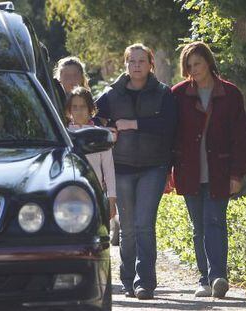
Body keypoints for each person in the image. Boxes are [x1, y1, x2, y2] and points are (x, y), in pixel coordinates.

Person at [94, 43, 177, 300]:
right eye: (132, 61)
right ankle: (127, 279)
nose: (137, 65)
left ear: (151, 64)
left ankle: (145, 283)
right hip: (120, 168)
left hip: (153, 167)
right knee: (127, 228)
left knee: (144, 225)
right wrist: (106, 129)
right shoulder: (111, 94)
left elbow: (169, 125)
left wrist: (133, 124)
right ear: (126, 65)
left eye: (142, 61)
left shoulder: (163, 93)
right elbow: (94, 118)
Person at [172, 41, 246, 298]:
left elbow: (241, 138)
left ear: (208, 62)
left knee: (215, 221)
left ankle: (218, 276)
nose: (193, 69)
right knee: (199, 226)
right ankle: (203, 279)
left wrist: (237, 174)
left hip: (220, 170)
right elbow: (171, 136)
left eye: (197, 63)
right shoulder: (178, 94)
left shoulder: (230, 93)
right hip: (189, 170)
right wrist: (169, 169)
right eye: (189, 65)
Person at [66, 86, 117, 219]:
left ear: (90, 109)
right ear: (69, 110)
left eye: (82, 106)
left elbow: (109, 169)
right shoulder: (63, 135)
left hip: (95, 194)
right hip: (67, 195)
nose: (78, 111)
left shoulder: (100, 134)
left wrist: (111, 201)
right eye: (74, 107)